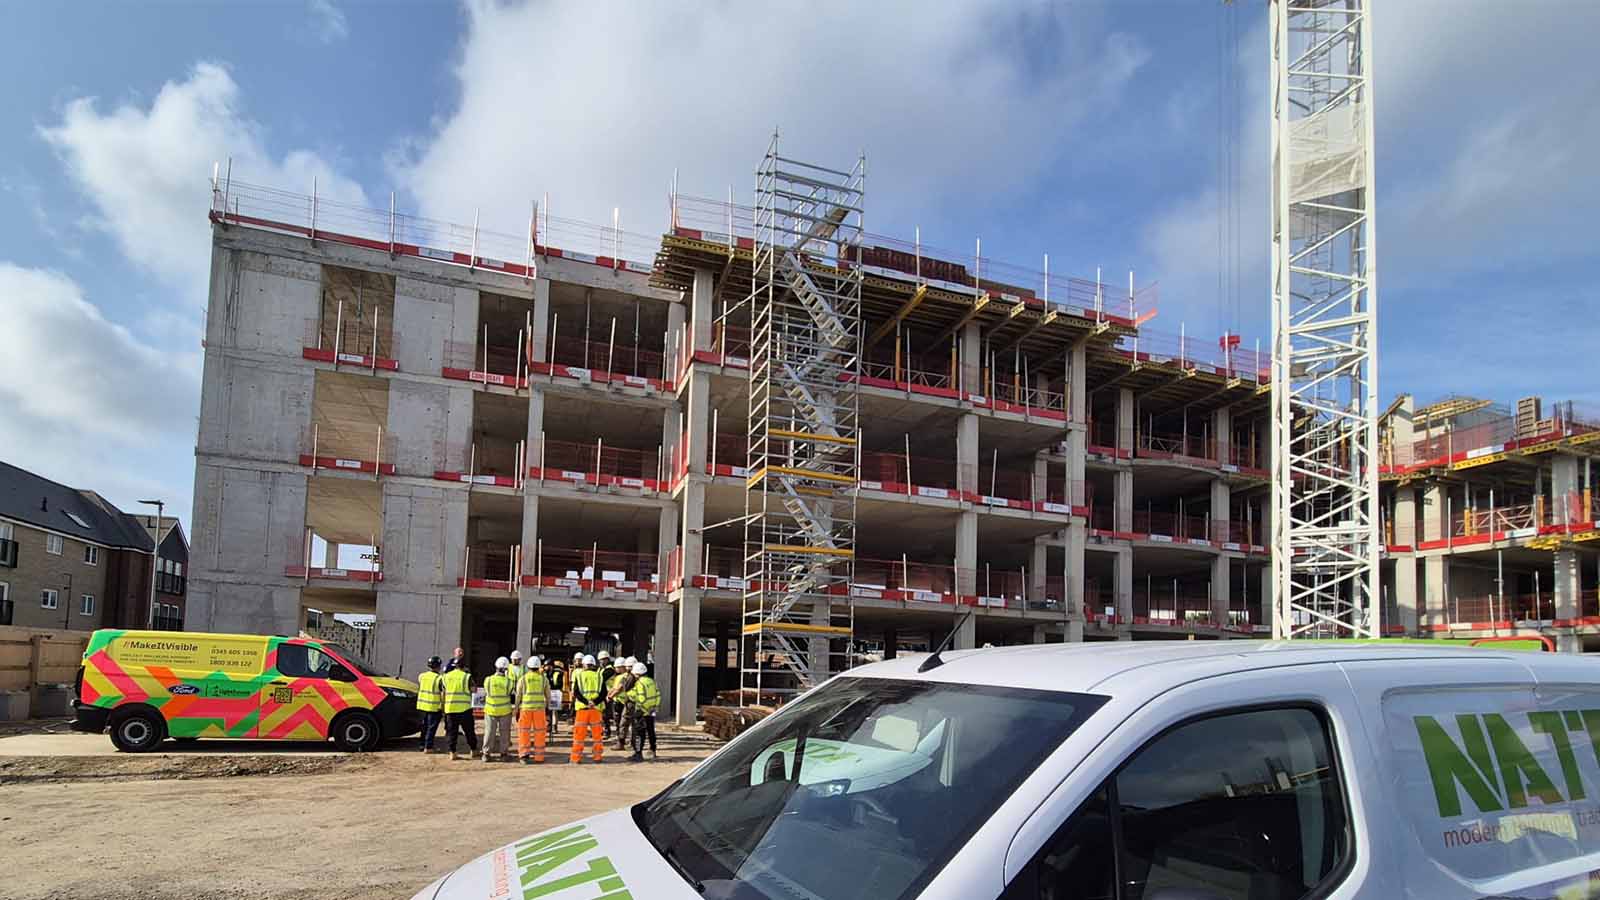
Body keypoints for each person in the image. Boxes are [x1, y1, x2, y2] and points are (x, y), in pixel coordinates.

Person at [569, 654, 605, 764]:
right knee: (597, 736)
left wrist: (587, 702)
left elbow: (576, 693)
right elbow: (604, 693)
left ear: (584, 665)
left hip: (582, 709)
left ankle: (576, 758)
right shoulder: (599, 676)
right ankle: (597, 757)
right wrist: (594, 702)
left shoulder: (579, 676)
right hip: (596, 710)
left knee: (579, 736)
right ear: (594, 665)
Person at [514, 654, 550, 764]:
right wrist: (547, 707)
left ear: (528, 667)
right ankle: (539, 757)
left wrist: (516, 709)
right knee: (540, 733)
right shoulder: (544, 679)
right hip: (539, 710)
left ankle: (524, 756)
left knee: (524, 732)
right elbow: (548, 695)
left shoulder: (523, 679)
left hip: (525, 709)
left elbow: (518, 696)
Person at [442, 656, 478, 760]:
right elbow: (474, 689)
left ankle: (452, 752)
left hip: (450, 708)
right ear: (464, 666)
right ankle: (474, 750)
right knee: (469, 731)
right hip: (464, 709)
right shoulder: (466, 676)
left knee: (451, 732)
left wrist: (443, 706)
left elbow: (443, 692)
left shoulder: (446, 676)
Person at [481, 656, 515, 762]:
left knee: (489, 732)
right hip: (505, 711)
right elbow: (510, 693)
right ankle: (504, 754)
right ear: (506, 669)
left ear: (496, 667)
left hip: (491, 710)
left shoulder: (488, 680)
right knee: (504, 733)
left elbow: (486, 692)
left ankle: (486, 754)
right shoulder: (509, 682)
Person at [626, 661, 660, 762]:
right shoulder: (652, 681)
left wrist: (630, 695)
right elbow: (657, 695)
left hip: (642, 711)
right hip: (651, 710)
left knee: (639, 733)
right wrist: (654, 707)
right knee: (651, 730)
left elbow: (641, 698)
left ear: (637, 673)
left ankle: (638, 753)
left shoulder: (639, 683)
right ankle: (653, 749)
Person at [608, 657, 638, 751]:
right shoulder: (641, 678)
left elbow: (620, 688)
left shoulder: (629, 677)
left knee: (624, 723)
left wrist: (610, 697)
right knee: (634, 724)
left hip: (631, 703)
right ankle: (632, 744)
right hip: (638, 703)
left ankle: (622, 743)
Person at [415, 655, 444, 753]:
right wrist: (443, 706)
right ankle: (428, 747)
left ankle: (422, 745)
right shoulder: (439, 678)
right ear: (438, 666)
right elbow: (442, 692)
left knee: (424, 727)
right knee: (431, 728)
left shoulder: (421, 676)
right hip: (433, 706)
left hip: (422, 706)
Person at [546, 659, 564, 736]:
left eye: (547, 666)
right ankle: (548, 725)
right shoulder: (545, 674)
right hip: (548, 693)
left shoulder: (558, 673)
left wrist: (551, 686)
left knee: (554, 711)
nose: (546, 667)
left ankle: (554, 726)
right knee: (547, 711)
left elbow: (560, 684)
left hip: (555, 693)